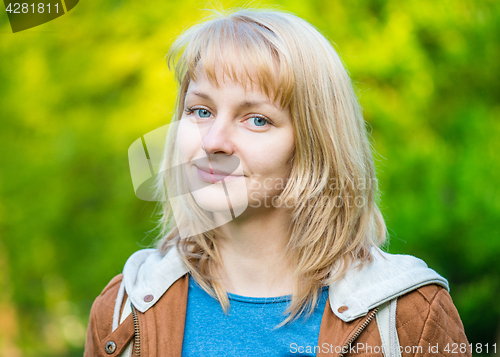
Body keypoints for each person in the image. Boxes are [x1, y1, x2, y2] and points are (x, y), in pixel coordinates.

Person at [84, 8, 470, 357]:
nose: (213, 141)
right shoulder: (124, 308)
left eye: (256, 119)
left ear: (315, 144)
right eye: (201, 110)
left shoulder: (410, 316)